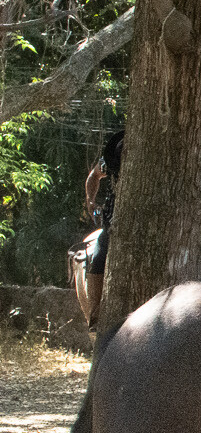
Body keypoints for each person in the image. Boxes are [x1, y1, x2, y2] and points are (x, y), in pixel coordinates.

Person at [77, 128, 123, 327]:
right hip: (113, 226)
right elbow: (93, 176)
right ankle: (95, 312)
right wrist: (90, 201)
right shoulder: (110, 164)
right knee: (99, 256)